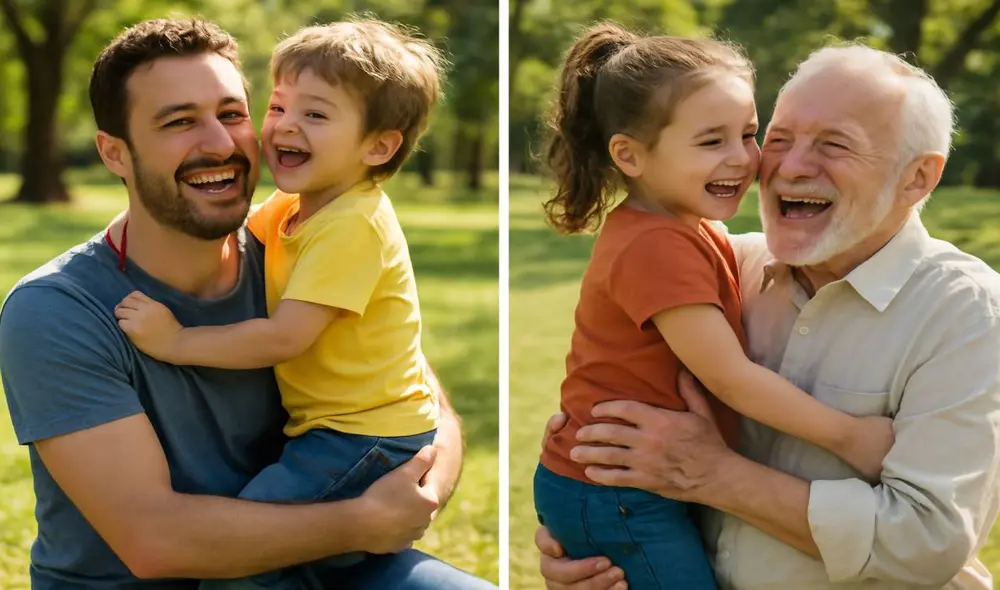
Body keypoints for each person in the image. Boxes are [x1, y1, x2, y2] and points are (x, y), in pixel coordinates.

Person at [0, 18, 494, 590]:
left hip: (319, 555)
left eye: (232, 114)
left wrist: (423, 492)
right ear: (115, 153)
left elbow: (414, 387)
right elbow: (155, 543)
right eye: (179, 121)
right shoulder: (58, 309)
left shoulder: (289, 250)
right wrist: (364, 520)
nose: (219, 143)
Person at [536, 43, 1000, 590]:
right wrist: (594, 548)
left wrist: (716, 476)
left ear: (917, 177)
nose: (788, 166)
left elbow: (924, 543)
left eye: (834, 145)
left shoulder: (967, 311)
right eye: (779, 140)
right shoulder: (732, 264)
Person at [113, 19, 443, 587]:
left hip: (363, 439)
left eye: (315, 115)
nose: (286, 126)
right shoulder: (298, 208)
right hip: (337, 433)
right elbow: (210, 226)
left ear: (378, 145)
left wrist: (177, 342)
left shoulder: (353, 225)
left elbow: (286, 337)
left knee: (246, 552)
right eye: (278, 107)